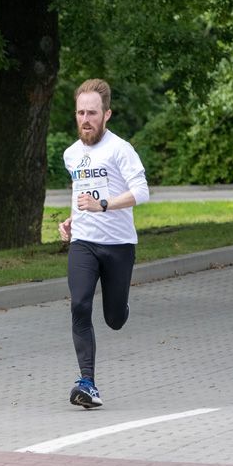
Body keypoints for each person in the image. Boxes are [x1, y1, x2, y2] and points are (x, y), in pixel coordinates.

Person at [58, 78, 149, 409]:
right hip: (84, 243)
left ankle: (121, 305)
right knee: (79, 305)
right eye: (80, 112)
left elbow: (142, 192)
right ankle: (88, 382)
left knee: (114, 319)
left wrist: (104, 205)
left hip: (119, 245)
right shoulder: (71, 154)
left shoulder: (120, 149)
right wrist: (71, 220)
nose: (86, 119)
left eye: (92, 113)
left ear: (106, 114)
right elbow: (79, 193)